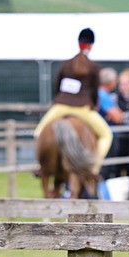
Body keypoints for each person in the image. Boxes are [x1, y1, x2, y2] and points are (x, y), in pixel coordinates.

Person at [33, 28, 112, 176]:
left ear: (78, 43)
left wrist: (58, 101)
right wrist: (93, 106)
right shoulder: (94, 67)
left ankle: (40, 165)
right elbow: (94, 91)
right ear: (91, 45)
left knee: (39, 131)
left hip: (61, 106)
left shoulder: (66, 64)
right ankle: (94, 167)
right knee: (106, 134)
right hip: (82, 109)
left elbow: (57, 86)